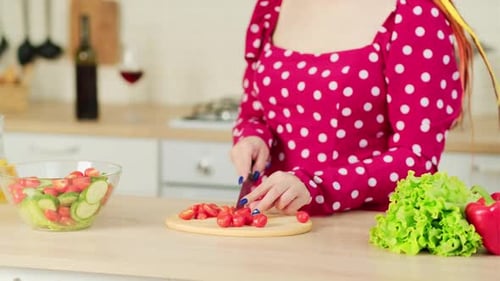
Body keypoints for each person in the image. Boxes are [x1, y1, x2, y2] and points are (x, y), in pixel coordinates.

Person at [230, 0, 499, 216]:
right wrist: (253, 138)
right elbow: (255, 114)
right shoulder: (271, 6)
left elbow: (416, 159)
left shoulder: (415, 13)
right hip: (274, 223)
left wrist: (315, 185)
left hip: (358, 229)